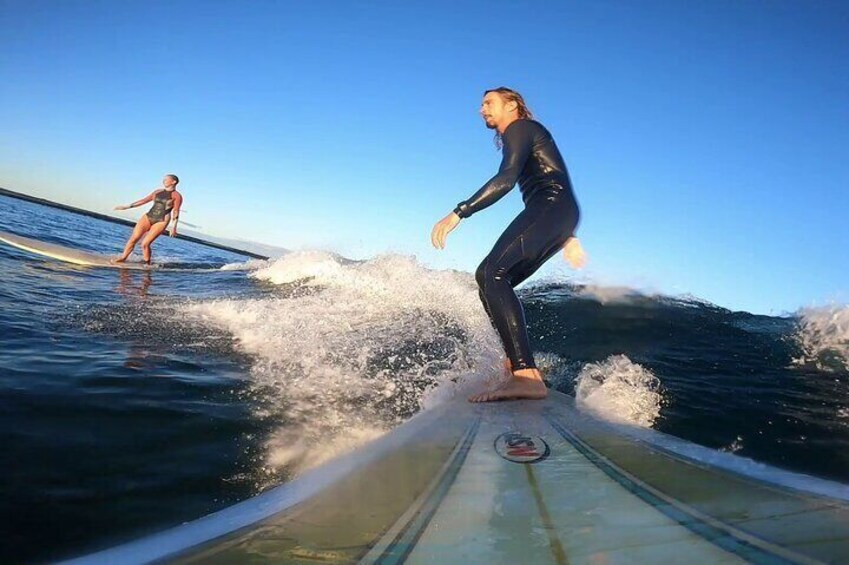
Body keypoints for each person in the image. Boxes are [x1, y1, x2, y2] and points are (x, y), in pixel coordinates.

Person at [431, 88, 587, 402]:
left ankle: (526, 377)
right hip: (559, 212)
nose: (481, 109)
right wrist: (566, 234)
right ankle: (516, 364)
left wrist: (459, 212)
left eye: (488, 102)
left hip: (552, 206)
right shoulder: (526, 134)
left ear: (512, 105)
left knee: (492, 273)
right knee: (490, 280)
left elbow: (506, 178)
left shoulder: (521, 128)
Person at [112, 174, 183, 264]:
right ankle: (123, 258)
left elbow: (176, 211)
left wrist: (174, 227)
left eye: (166, 179)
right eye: (163, 179)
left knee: (145, 244)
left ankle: (147, 264)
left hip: (162, 220)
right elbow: (144, 200)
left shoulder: (177, 196)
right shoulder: (157, 191)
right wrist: (126, 207)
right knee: (133, 239)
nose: (163, 181)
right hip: (148, 216)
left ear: (174, 182)